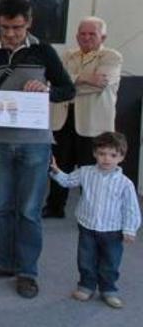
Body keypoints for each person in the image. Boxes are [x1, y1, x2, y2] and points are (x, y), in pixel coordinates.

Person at [0, 0, 75, 299]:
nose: (11, 34)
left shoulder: (44, 51)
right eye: (5, 27)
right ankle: (2, 261)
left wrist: (46, 90)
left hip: (34, 144)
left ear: (28, 23)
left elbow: (67, 89)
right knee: (3, 207)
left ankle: (28, 271)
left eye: (17, 27)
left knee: (29, 211)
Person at [48, 132, 140, 309]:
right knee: (85, 258)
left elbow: (131, 208)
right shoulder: (85, 172)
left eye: (113, 155)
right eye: (102, 153)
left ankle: (108, 289)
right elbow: (67, 181)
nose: (107, 159)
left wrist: (130, 229)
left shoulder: (125, 183)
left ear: (121, 157)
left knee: (110, 262)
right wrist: (56, 171)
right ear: (95, 154)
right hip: (87, 227)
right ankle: (86, 285)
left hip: (113, 231)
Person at [44, 17, 122, 219]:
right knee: (58, 165)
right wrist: (86, 77)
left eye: (92, 34)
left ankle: (94, 212)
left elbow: (101, 83)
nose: (86, 37)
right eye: (82, 33)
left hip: (93, 125)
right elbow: (51, 80)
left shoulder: (111, 56)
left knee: (93, 170)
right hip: (63, 119)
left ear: (102, 36)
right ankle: (54, 207)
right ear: (76, 36)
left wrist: (68, 82)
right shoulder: (67, 55)